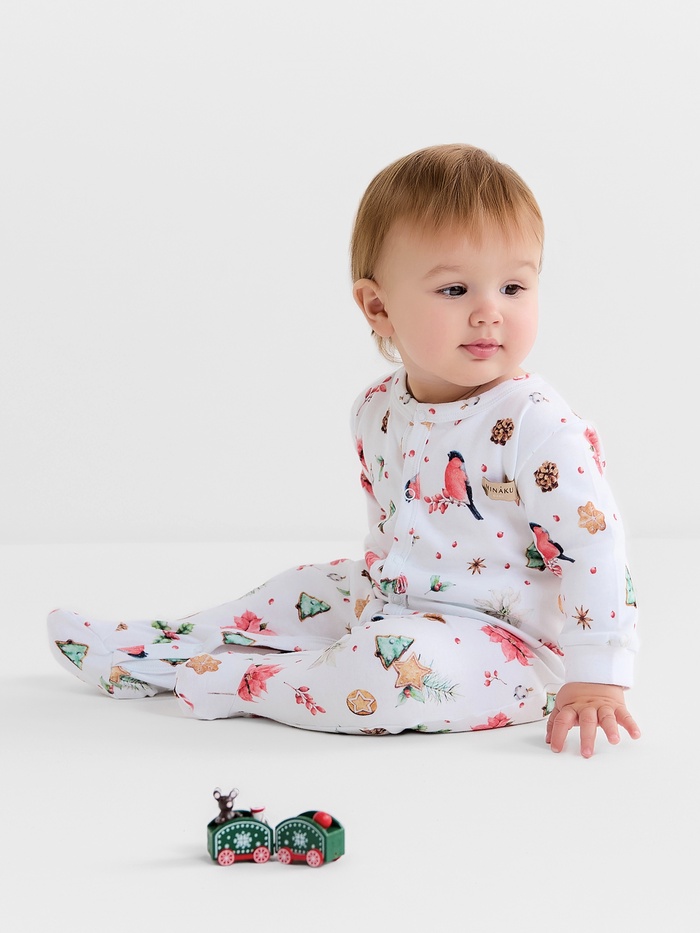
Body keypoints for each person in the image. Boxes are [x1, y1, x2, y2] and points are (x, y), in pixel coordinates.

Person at [48, 143, 640, 756]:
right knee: (299, 589)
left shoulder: (536, 424)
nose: (490, 312)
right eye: (456, 289)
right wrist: (370, 600)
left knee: (385, 673)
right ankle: (148, 648)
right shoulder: (376, 409)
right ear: (378, 307)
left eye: (514, 286)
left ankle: (243, 681)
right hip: (390, 600)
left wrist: (597, 673)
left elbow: (595, 547)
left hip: (507, 648)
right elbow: (390, 531)